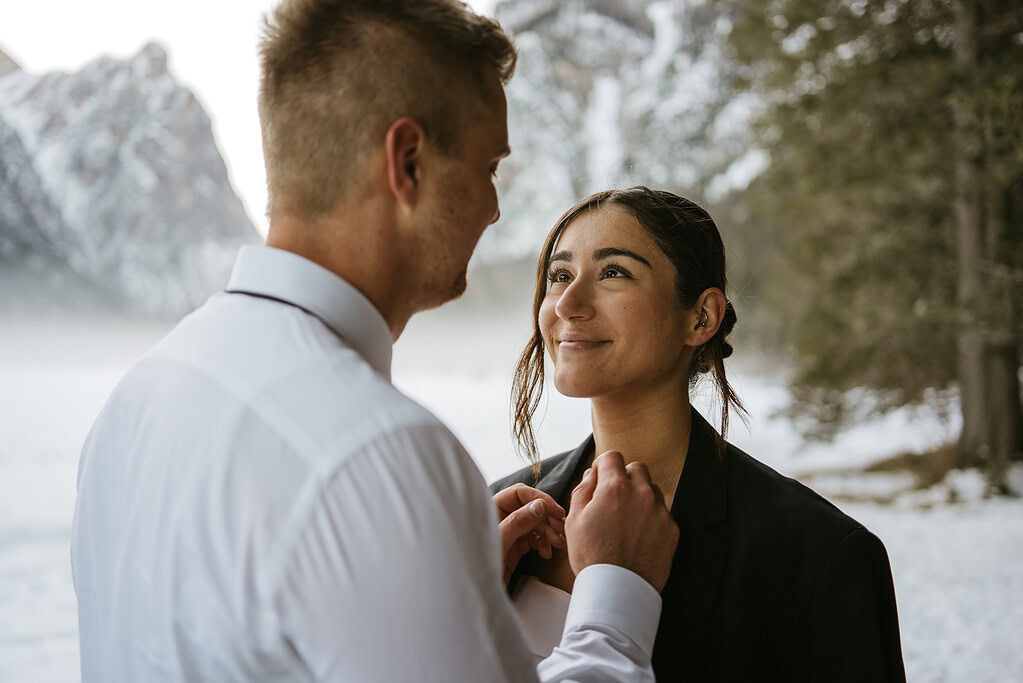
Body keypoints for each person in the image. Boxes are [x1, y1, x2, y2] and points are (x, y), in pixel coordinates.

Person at [69, 2, 679, 681]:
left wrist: (435, 578)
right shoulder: (377, 453)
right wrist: (615, 594)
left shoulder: (142, 393)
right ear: (408, 162)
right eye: (487, 166)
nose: (493, 207)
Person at [491, 187, 907, 682]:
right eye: (560, 276)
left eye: (614, 272)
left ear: (701, 317)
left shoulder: (816, 558)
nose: (567, 304)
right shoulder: (491, 522)